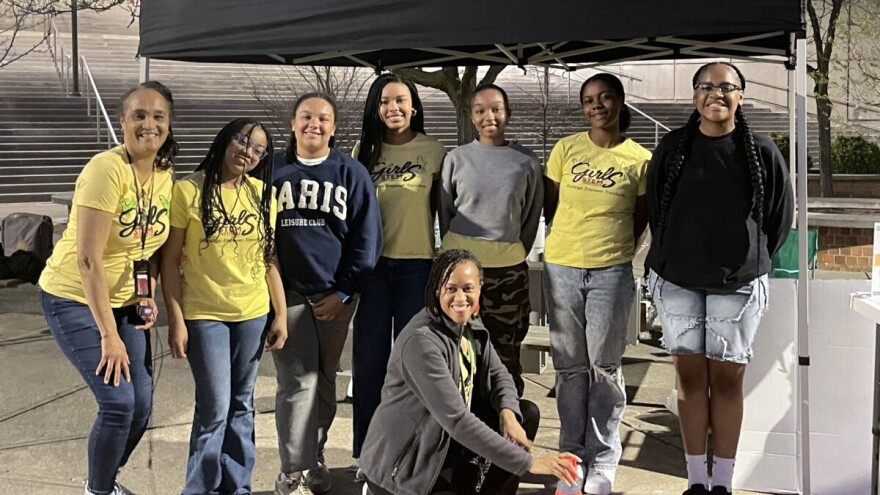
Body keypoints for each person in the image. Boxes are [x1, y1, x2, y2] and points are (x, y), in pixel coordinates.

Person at [645, 62, 794, 495]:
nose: (716, 94)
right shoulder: (673, 148)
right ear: (694, 97)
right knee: (690, 380)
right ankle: (695, 482)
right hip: (678, 282)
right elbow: (658, 211)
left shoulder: (763, 151)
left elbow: (778, 219)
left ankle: (723, 484)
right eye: (706, 87)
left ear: (741, 96)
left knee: (726, 382)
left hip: (739, 283)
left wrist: (748, 255)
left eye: (726, 87)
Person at [38, 81, 178, 495]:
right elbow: (88, 259)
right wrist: (108, 335)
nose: (148, 124)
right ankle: (98, 491)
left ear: (168, 125)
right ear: (122, 122)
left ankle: (103, 480)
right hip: (73, 296)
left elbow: (145, 248)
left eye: (158, 116)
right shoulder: (106, 168)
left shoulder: (164, 175)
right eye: (138, 115)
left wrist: (146, 293)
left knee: (142, 406)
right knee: (118, 404)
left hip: (125, 299)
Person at [360, 249, 581, 495]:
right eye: (451, 288)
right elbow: (457, 421)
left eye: (467, 288)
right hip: (404, 467)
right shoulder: (422, 342)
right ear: (436, 289)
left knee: (524, 413)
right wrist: (531, 463)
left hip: (443, 441)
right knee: (489, 434)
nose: (460, 297)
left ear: (479, 289)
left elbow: (500, 375)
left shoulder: (469, 323)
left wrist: (508, 415)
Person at [160, 118, 288, 495]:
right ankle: (198, 489)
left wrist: (279, 313)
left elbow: (268, 260)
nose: (247, 150)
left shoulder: (265, 194)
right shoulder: (187, 190)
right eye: (241, 139)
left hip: (252, 312)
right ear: (224, 139)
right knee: (214, 408)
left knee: (242, 406)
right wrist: (176, 319)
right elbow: (170, 260)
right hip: (204, 314)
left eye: (258, 148)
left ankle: (238, 488)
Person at [542, 73, 651, 495]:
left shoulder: (639, 158)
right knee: (570, 368)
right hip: (562, 269)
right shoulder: (565, 150)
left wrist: (613, 251)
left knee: (604, 368)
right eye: (589, 100)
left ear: (620, 102)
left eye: (605, 98)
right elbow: (551, 208)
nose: (597, 106)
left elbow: (640, 218)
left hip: (611, 272)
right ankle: (571, 461)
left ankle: (603, 461)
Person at [271, 92, 382, 495]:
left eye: (322, 118)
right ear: (293, 123)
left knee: (324, 381)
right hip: (288, 295)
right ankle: (292, 470)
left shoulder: (350, 173)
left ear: (334, 128)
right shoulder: (274, 169)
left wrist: (345, 292)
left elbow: (366, 240)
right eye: (305, 116)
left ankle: (312, 457)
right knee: (297, 382)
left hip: (335, 296)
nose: (313, 124)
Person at [352, 73, 446, 466]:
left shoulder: (435, 151)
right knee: (370, 364)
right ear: (376, 108)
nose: (394, 108)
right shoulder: (362, 152)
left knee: (412, 365)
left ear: (415, 106)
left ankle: (410, 456)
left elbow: (444, 214)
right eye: (385, 101)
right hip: (373, 271)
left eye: (401, 101)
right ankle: (368, 456)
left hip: (416, 268)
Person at [439, 83, 543, 397]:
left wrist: (510, 246)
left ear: (507, 112)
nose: (489, 116)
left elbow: (530, 214)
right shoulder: (456, 158)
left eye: (496, 108)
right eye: (480, 110)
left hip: (507, 270)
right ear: (471, 116)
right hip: (459, 269)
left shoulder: (525, 161)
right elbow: (445, 211)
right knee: (456, 351)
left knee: (505, 355)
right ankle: (458, 435)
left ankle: (506, 430)